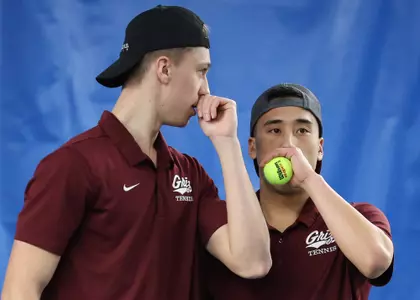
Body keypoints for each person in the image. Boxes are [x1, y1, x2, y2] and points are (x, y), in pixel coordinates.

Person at [1, 5, 272, 300]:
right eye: (201, 71)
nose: (205, 90)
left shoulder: (190, 175)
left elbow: (253, 262)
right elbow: (21, 289)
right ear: (164, 69)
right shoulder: (73, 166)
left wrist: (228, 143)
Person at [201, 83, 394, 300]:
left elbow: (376, 262)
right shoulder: (223, 226)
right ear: (252, 147)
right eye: (275, 130)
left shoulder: (361, 217)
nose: (289, 143)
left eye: (302, 131)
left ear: (320, 148)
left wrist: (309, 179)